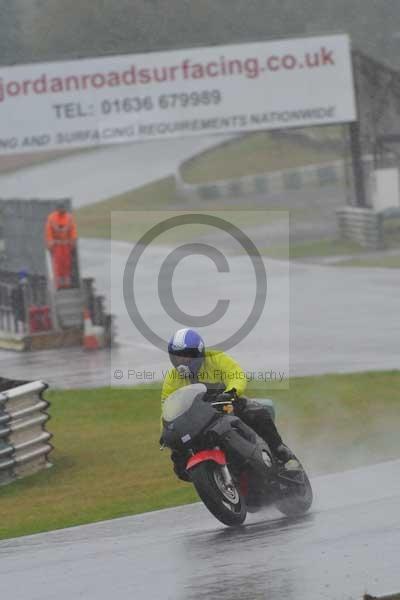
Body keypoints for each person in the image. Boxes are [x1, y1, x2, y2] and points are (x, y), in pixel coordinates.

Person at [161, 327, 296, 481]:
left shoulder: (215, 358)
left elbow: (236, 374)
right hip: (200, 419)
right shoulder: (172, 378)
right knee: (179, 461)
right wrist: (167, 431)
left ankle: (281, 452)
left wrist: (231, 392)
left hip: (227, 404)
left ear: (198, 353)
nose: (181, 363)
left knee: (256, 414)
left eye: (186, 358)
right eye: (177, 359)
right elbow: (167, 406)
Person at [45, 202, 77, 289]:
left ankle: (67, 283)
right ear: (57, 209)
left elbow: (72, 230)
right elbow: (48, 231)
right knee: (58, 264)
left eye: (63, 209)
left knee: (67, 264)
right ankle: (59, 284)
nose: (62, 211)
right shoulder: (51, 218)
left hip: (66, 245)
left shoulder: (69, 218)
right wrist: (50, 243)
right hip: (57, 246)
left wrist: (73, 241)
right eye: (60, 209)